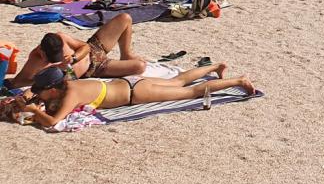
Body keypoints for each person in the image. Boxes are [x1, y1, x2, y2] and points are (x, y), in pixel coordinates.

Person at [10, 64, 254, 127]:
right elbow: (47, 99)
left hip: (137, 93)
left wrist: (33, 111)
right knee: (177, 80)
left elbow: (53, 121)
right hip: (130, 83)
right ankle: (214, 68)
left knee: (188, 92)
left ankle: (238, 80)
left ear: (53, 89)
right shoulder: (70, 84)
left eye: (42, 90)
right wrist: (33, 100)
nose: (40, 94)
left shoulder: (70, 95)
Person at [10, 14, 145, 86]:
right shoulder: (35, 59)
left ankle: (126, 54)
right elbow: (18, 82)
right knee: (139, 66)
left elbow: (85, 47)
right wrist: (43, 80)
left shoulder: (61, 37)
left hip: (94, 48)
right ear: (43, 54)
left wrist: (74, 58)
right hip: (96, 68)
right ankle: (124, 63)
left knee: (125, 18)